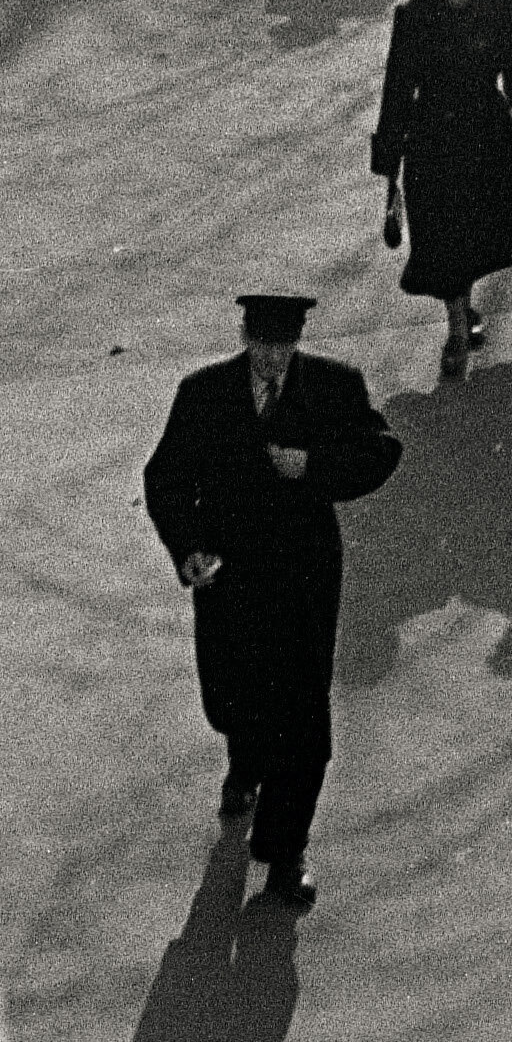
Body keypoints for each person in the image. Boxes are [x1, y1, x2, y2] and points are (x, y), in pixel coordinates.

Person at [142, 293, 402, 910]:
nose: (271, 358)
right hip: (229, 569)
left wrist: (313, 466)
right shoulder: (204, 392)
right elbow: (168, 476)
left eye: (281, 345)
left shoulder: (334, 386)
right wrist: (187, 550)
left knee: (304, 713)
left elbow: (380, 450)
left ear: (297, 341)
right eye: (261, 344)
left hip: (303, 572)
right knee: (232, 691)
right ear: (246, 337)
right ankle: (245, 759)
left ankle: (286, 852)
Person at [371, 0, 512, 379]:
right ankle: (457, 324)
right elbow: (398, 89)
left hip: (487, 138)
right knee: (441, 236)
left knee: (479, 230)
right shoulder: (414, 18)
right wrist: (388, 165)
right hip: (432, 143)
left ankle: (464, 307)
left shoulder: (505, 12)